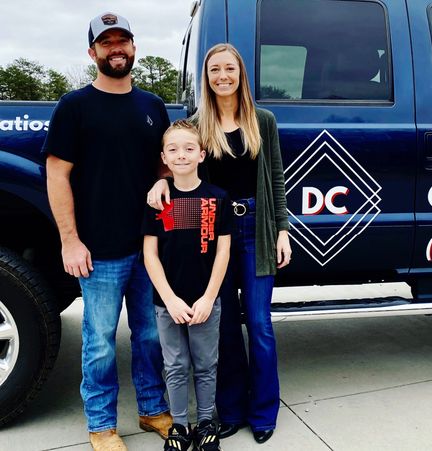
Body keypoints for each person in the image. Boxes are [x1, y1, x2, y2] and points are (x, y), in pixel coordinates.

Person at [147, 43, 291, 444]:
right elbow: (179, 161)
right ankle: (228, 411)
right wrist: (161, 180)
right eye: (214, 70)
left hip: (257, 231)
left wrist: (282, 229)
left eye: (230, 68)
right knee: (223, 325)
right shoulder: (197, 123)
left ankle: (263, 411)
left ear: (241, 73)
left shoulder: (263, 121)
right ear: (206, 77)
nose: (223, 76)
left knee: (259, 324)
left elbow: (276, 178)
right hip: (216, 237)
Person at [44, 12, 171, 451]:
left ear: (134, 48)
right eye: (107, 42)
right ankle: (101, 425)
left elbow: (163, 166)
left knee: (150, 334)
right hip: (98, 251)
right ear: (93, 51)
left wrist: (162, 179)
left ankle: (153, 409)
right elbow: (57, 175)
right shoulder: (74, 106)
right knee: (98, 342)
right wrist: (69, 239)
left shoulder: (153, 106)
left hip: (149, 246)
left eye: (123, 41)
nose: (116, 48)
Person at [143, 120, 233, 451]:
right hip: (168, 304)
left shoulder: (218, 198)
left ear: (202, 155)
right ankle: (180, 425)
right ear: (164, 158)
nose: (181, 155)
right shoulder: (157, 202)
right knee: (175, 365)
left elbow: (223, 250)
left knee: (206, 364)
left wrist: (209, 297)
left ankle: (207, 420)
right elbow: (150, 255)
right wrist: (170, 299)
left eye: (189, 148)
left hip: (206, 301)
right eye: (174, 149)